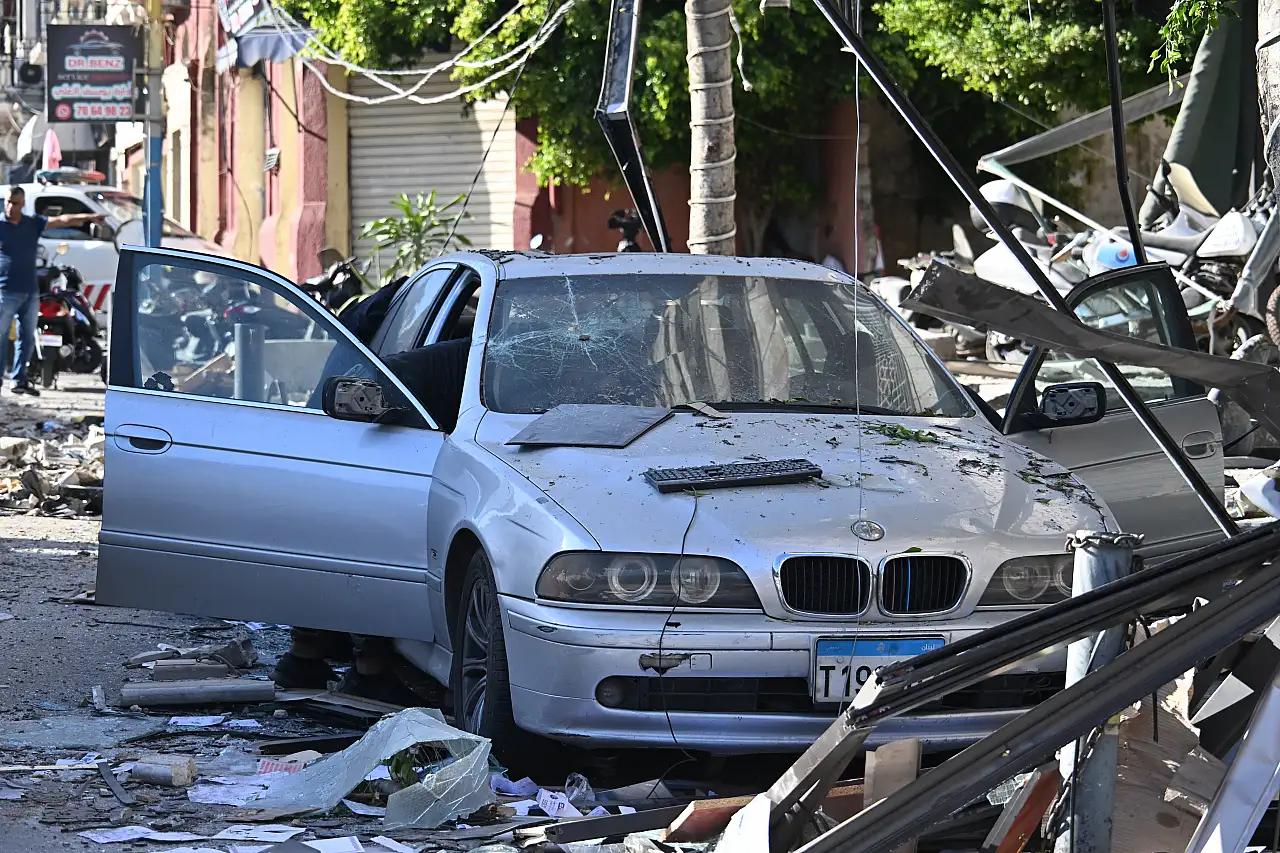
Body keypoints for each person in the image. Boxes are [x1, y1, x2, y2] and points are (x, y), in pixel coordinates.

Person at [0, 186, 103, 395]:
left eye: (16, 203)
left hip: (30, 292)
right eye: (8, 202)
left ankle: (20, 381)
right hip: (5, 291)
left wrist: (90, 217)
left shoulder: (32, 224)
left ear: (23, 204)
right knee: (1, 337)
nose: (11, 207)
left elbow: (62, 221)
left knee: (27, 337)